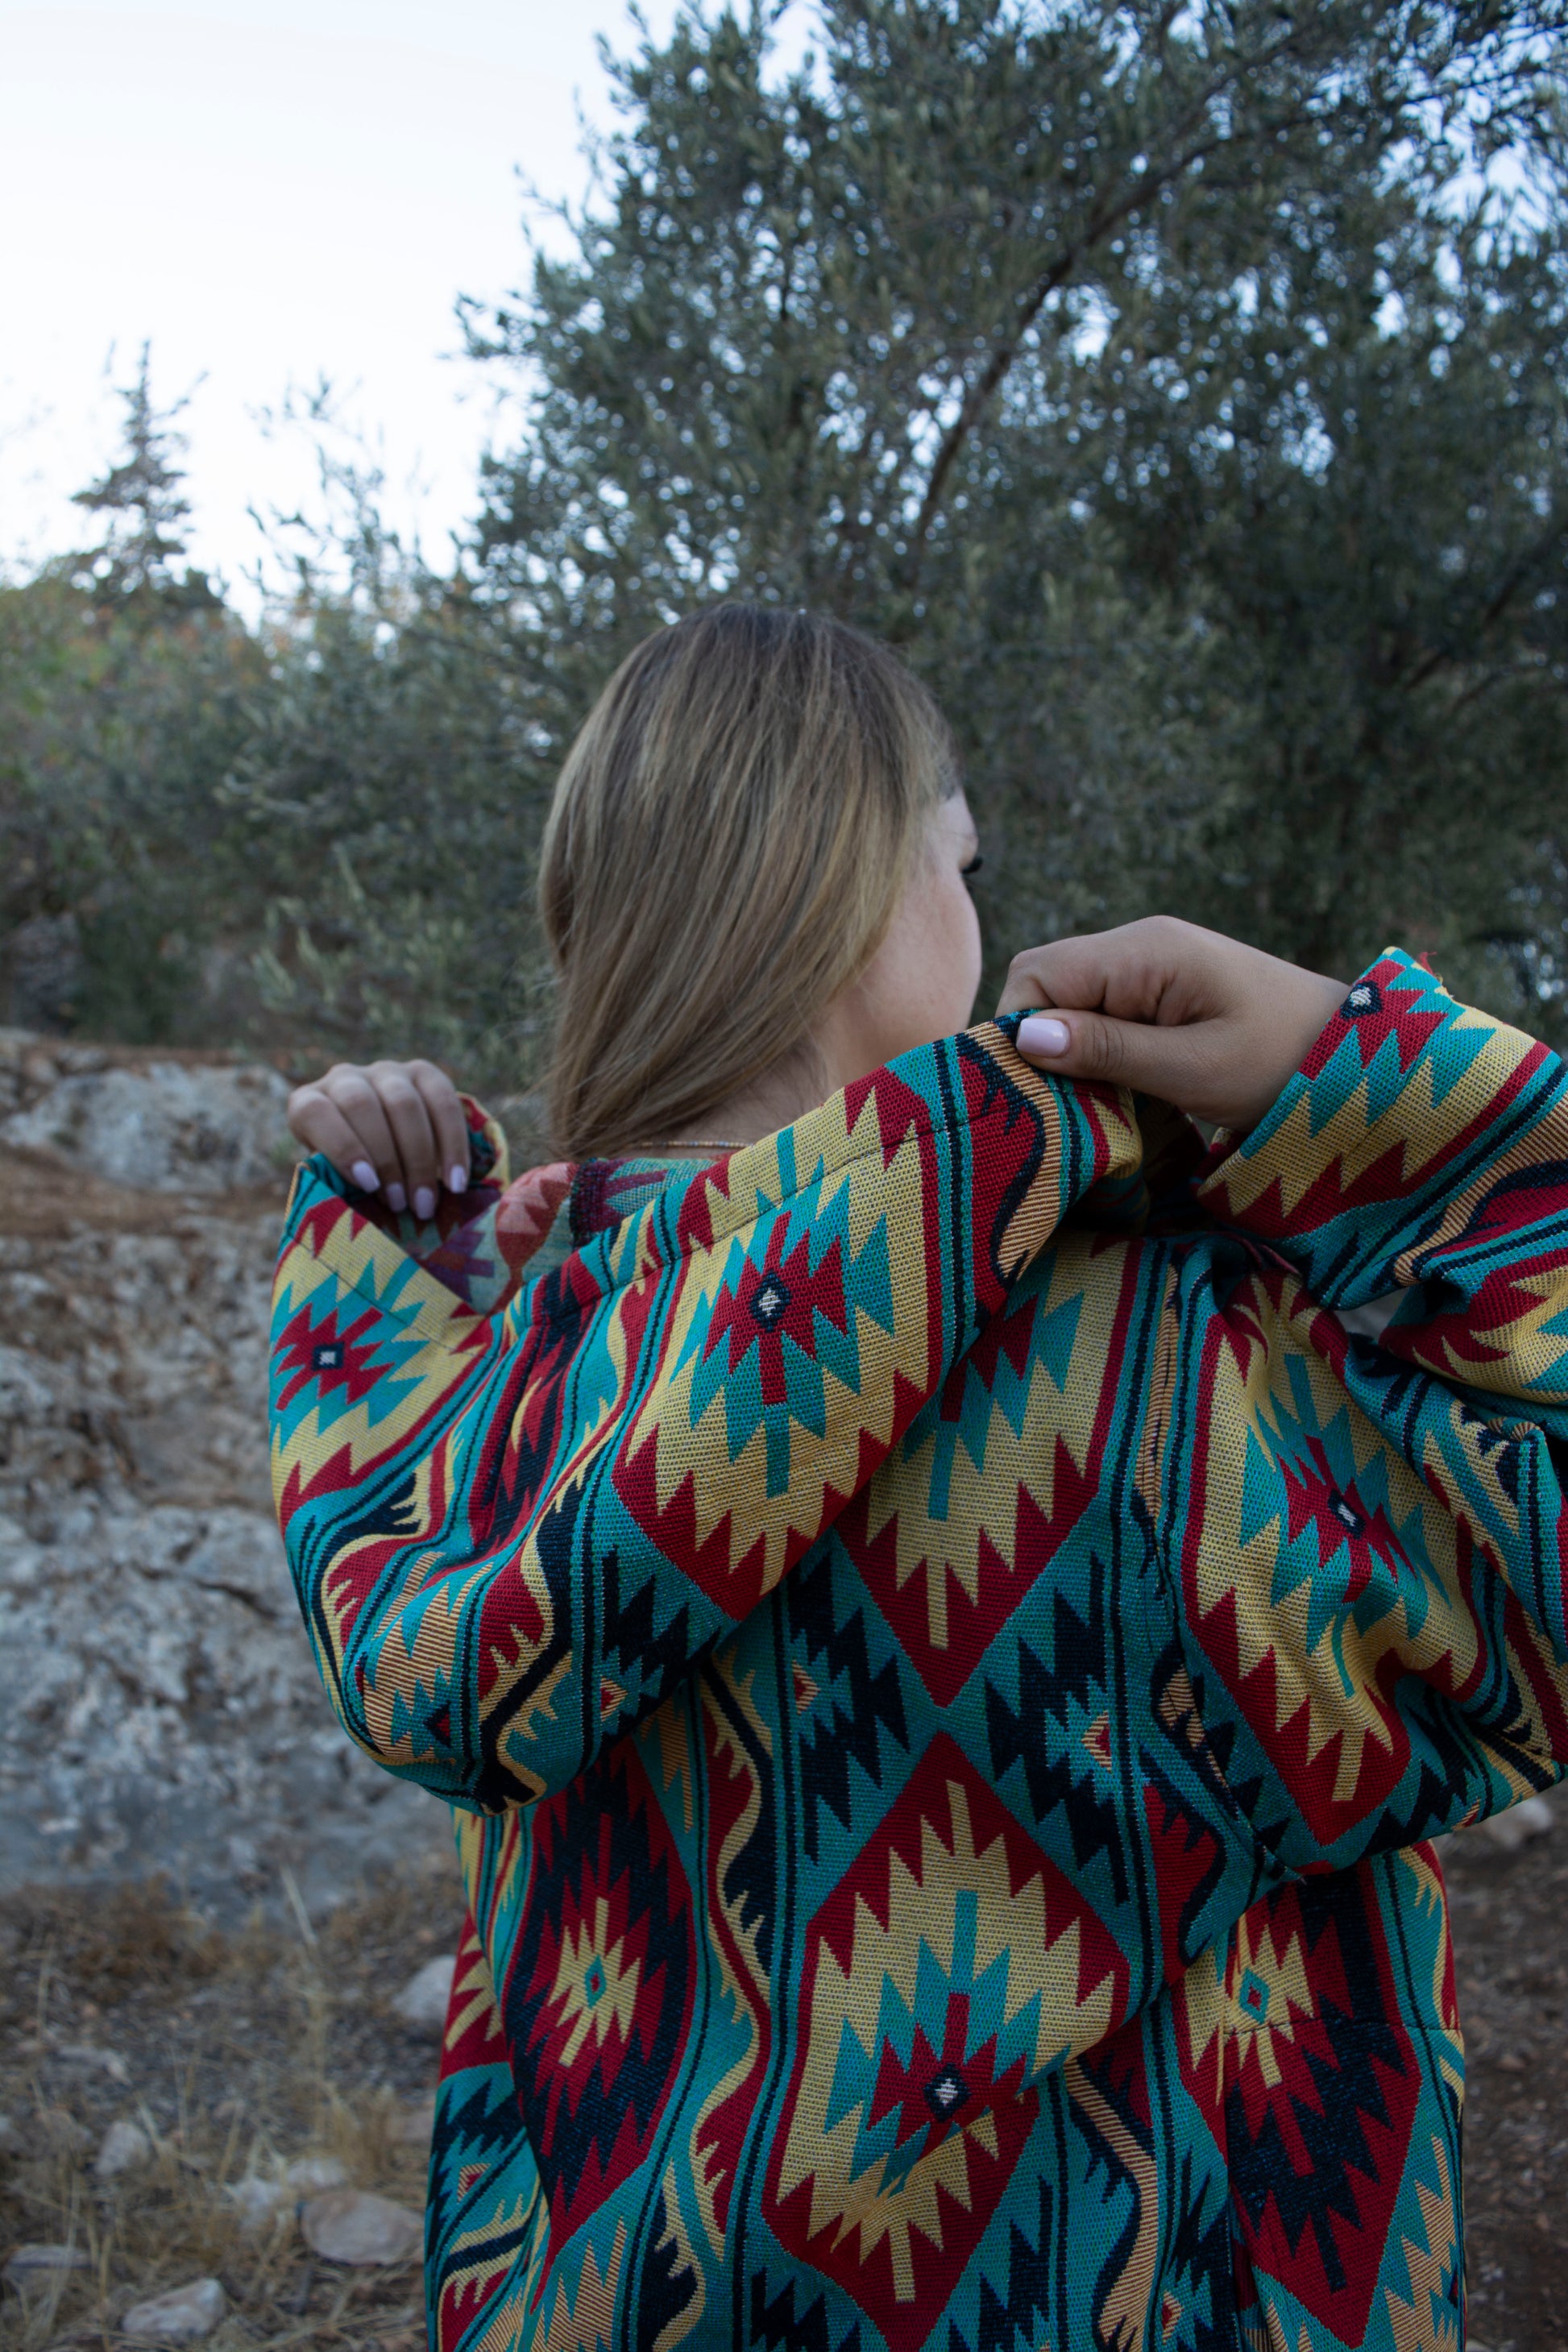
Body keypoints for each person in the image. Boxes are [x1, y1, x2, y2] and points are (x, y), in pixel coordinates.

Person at [272, 604, 1568, 2352]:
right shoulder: (1148, 1374)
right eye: (960, 862)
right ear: (853, 891)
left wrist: (385, 1250)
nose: (977, 913)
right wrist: (1365, 1077)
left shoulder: (511, 1379)